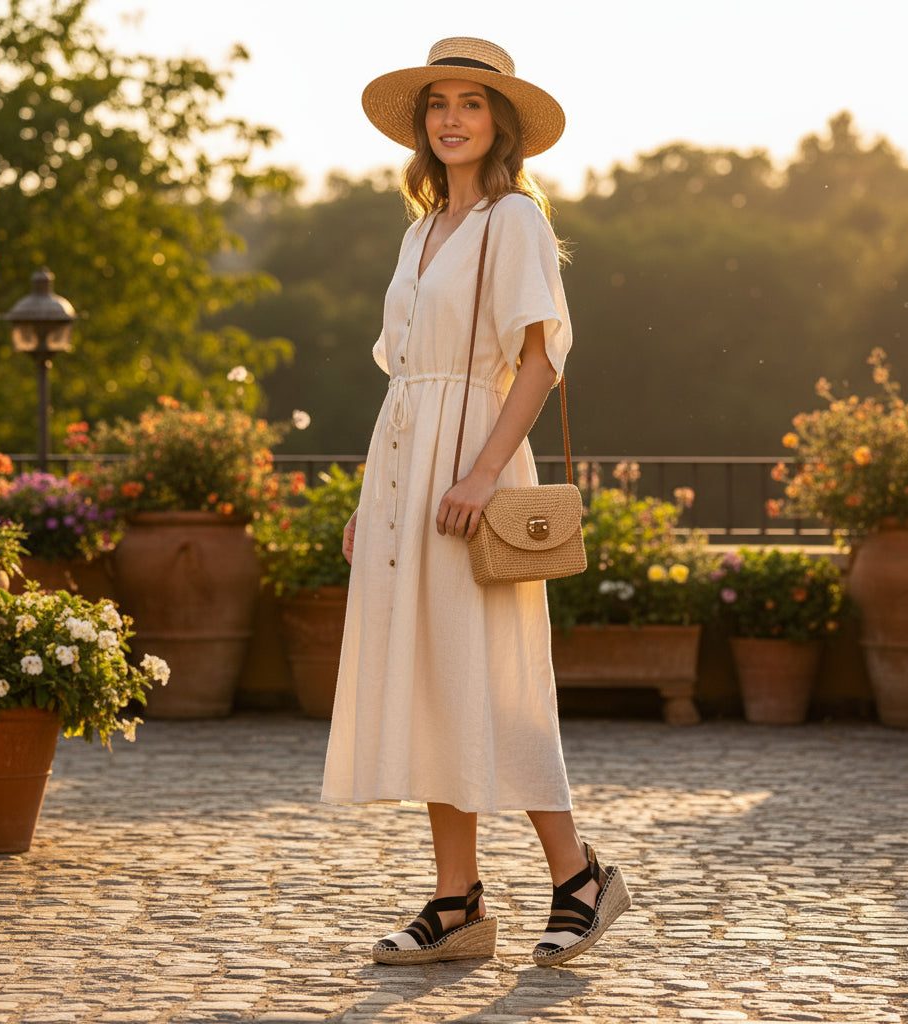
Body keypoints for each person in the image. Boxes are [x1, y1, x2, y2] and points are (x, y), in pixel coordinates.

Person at [321, 37, 631, 967]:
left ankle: (579, 876)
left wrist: (484, 473)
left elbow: (539, 359)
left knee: (498, 679)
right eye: (438, 103)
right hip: (406, 470)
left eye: (471, 102)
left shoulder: (515, 222)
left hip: (476, 468)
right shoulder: (419, 233)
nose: (451, 117)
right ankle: (457, 905)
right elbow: (403, 380)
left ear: (500, 122)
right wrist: (371, 501)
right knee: (429, 678)